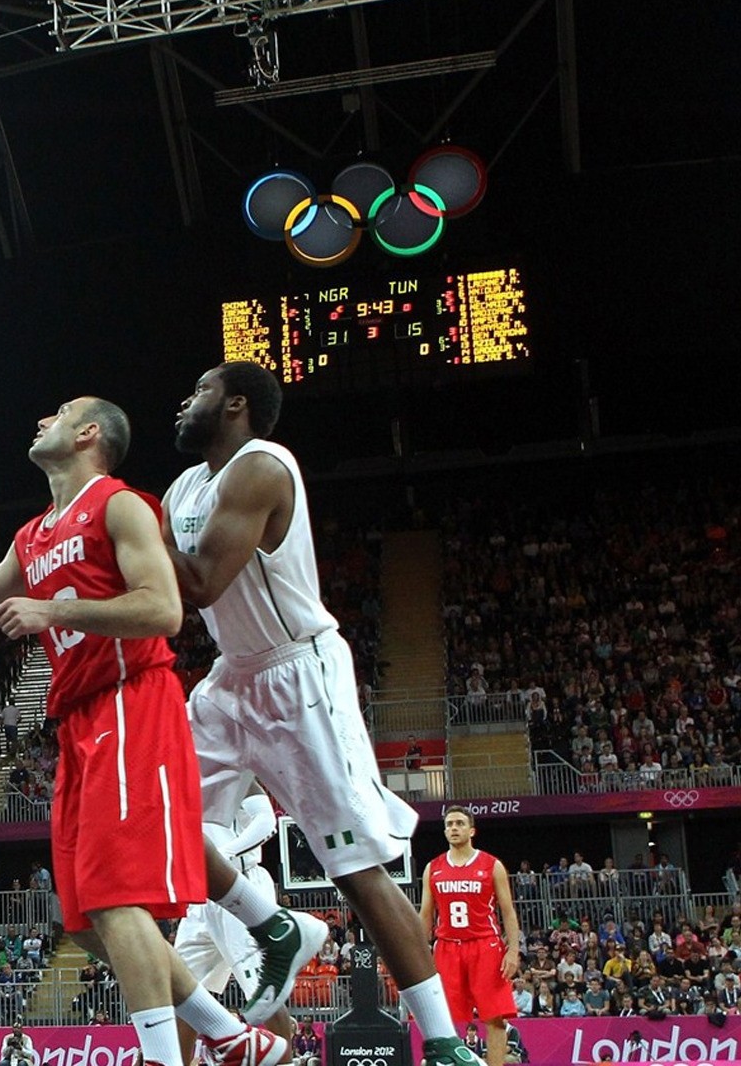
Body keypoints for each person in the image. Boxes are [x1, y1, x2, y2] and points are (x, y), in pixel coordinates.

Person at [0, 396, 284, 1066]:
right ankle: (229, 1035)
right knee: (84, 923)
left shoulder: (119, 504)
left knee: (116, 903)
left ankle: (164, 1058)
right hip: (77, 719)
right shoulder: (32, 536)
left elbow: (164, 608)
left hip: (129, 698)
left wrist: (48, 610)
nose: (38, 419)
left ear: (87, 434)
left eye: (53, 413)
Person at [164, 361, 480, 1066]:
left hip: (295, 673)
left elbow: (200, 583)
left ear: (237, 403)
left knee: (357, 871)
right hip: (229, 680)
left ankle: (448, 1042)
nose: (185, 402)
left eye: (201, 390)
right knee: (167, 829)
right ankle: (277, 927)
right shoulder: (181, 490)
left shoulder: (261, 466)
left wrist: (123, 522)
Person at [174, 789, 294, 1065]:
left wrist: (224, 853)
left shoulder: (231, 765)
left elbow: (266, 821)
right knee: (182, 991)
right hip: (200, 897)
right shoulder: (177, 771)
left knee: (263, 990)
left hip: (238, 884)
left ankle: (287, 1061)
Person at [419, 806, 522, 1066]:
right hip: (447, 946)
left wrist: (512, 951)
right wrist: (420, 952)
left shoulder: (492, 865)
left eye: (459, 824)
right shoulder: (433, 868)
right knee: (444, 1017)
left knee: (494, 1016)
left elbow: (508, 913)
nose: (453, 828)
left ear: (471, 830)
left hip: (485, 945)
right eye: (449, 824)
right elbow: (426, 915)